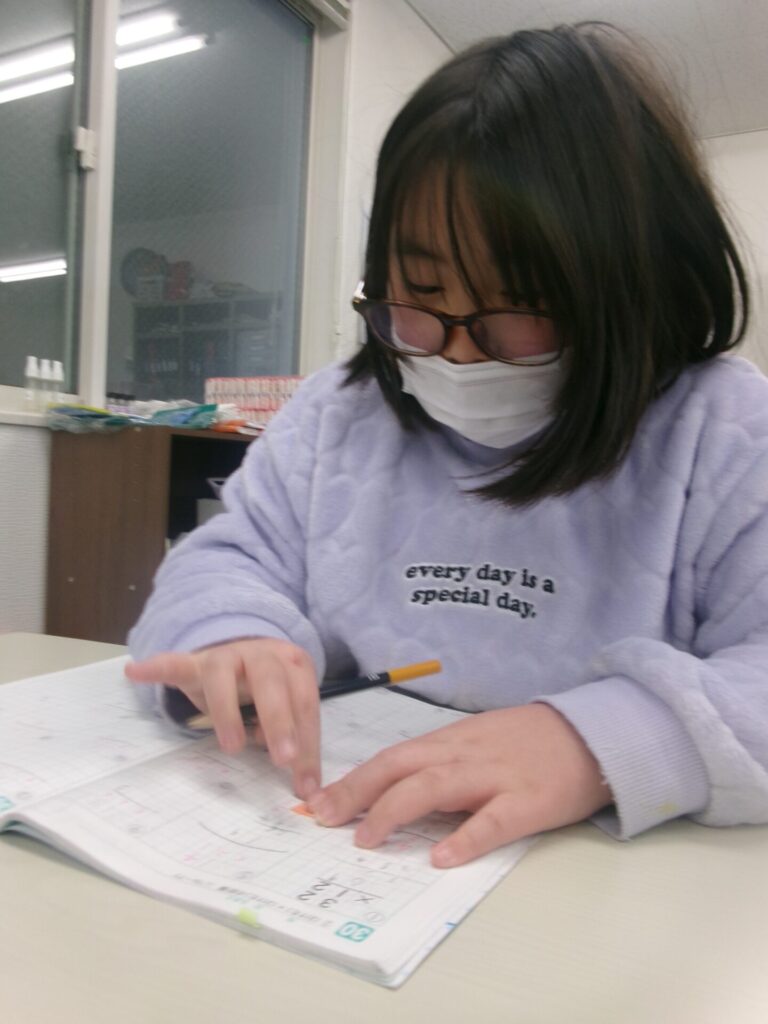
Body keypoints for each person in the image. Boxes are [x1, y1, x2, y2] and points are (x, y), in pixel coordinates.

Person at [126, 22, 768, 868]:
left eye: (522, 305)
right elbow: (229, 556)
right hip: (351, 847)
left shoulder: (722, 433)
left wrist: (599, 744)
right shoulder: (340, 415)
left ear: (631, 289)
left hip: (610, 885)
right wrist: (228, 634)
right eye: (421, 291)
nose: (458, 353)